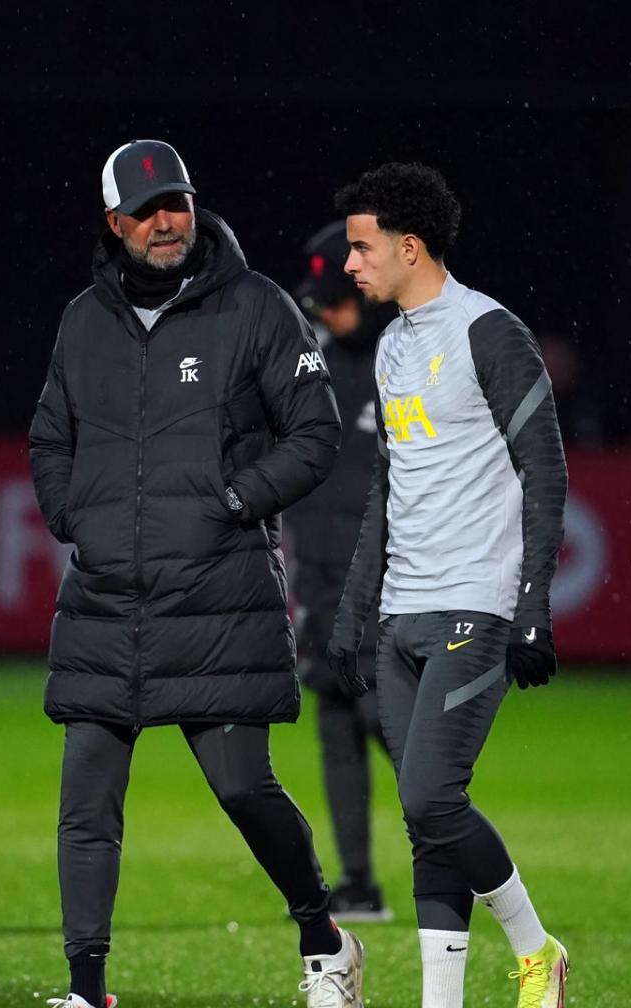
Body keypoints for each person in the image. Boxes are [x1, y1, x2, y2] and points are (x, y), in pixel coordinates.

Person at [0, 140, 365, 1008]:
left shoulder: (257, 307)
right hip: (107, 601)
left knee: (244, 789)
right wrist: (70, 513)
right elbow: (50, 438)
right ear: (115, 223)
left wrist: (235, 500)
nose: (169, 220)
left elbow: (315, 433)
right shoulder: (83, 321)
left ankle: (327, 944)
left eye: (180, 202)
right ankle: (89, 1002)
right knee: (87, 804)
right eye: (149, 207)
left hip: (219, 598)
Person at [325, 162, 569, 1008]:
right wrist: (356, 611)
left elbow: (546, 470)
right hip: (403, 613)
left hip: (476, 602)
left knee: (433, 793)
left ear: (408, 245)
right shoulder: (391, 346)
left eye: (360, 245)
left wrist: (534, 603)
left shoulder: (489, 331)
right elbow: (391, 489)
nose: (349, 263)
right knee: (422, 817)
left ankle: (537, 949)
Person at [287, 222, 395, 921]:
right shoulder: (312, 363)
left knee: (389, 722)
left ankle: (463, 852)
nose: (325, 312)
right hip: (321, 584)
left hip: (387, 587)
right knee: (335, 720)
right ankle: (357, 881)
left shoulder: (408, 359)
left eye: (337, 299)